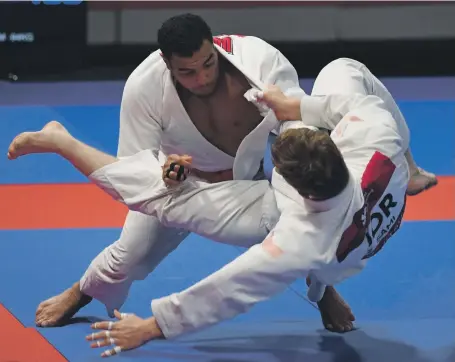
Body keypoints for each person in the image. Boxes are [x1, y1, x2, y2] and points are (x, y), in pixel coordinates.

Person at [8, 58, 437, 357]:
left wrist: (153, 326)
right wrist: (300, 109)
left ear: (296, 190)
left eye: (277, 162)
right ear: (334, 145)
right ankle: (415, 172)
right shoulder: (377, 144)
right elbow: (364, 97)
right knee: (343, 70)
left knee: (166, 199)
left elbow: (227, 290)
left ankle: (63, 141)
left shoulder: (296, 238)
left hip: (326, 243)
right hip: (364, 215)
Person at [32, 13, 307, 328]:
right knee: (128, 257)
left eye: (207, 64)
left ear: (214, 46)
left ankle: (324, 293)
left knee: (302, 216)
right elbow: (133, 173)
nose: (201, 78)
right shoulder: (144, 86)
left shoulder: (258, 62)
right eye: (187, 72)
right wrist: (165, 173)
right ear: (166, 62)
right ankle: (81, 291)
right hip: (179, 186)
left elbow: (300, 132)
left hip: (245, 180)